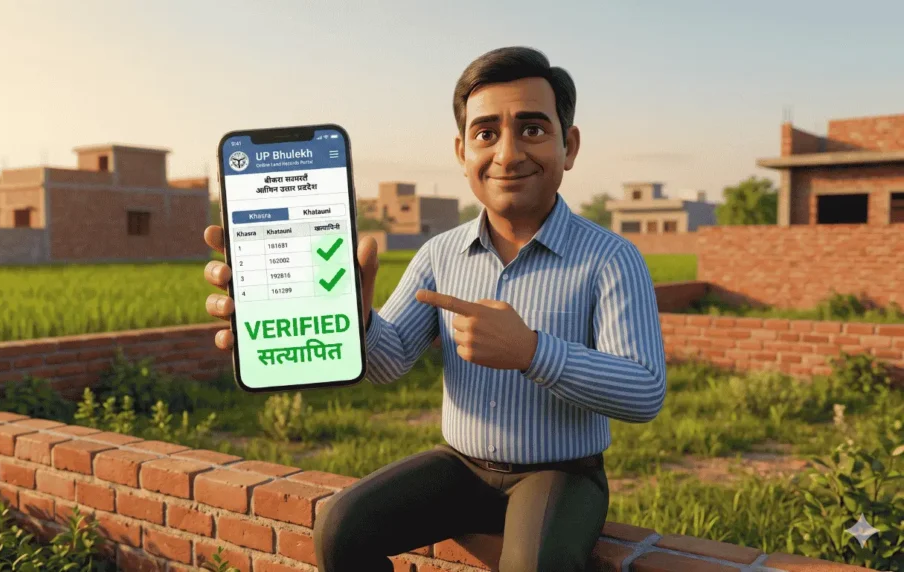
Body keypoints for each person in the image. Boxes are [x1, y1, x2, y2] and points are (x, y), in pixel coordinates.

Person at [202, 46, 667, 572]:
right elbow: (390, 359)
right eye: (486, 133)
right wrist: (354, 318)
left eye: (533, 129)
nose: (508, 154)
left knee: (537, 565)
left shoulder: (610, 258)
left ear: (570, 145)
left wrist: (532, 351)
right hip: (462, 467)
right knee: (341, 528)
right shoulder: (439, 254)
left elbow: (645, 391)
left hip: (561, 472)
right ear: (461, 151)